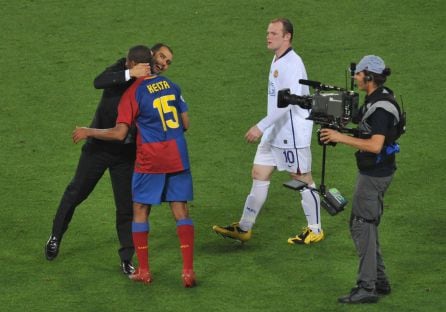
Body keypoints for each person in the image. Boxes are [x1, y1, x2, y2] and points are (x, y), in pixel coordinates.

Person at [44, 44, 174, 276]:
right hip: (99, 148)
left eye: (168, 62)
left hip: (126, 154)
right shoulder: (125, 66)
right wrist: (129, 74)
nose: (164, 63)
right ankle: (55, 236)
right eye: (162, 57)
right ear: (148, 57)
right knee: (76, 192)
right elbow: (99, 81)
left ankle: (126, 259)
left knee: (126, 207)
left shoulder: (155, 85)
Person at [72, 45, 196, 288]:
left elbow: (120, 133)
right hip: (177, 154)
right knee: (181, 210)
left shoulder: (133, 93)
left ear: (132, 64)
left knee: (139, 209)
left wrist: (89, 131)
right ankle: (188, 272)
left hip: (151, 156)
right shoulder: (171, 85)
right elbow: (185, 123)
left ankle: (145, 271)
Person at [212, 18, 323, 244]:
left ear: (287, 36)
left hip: (291, 133)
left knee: (301, 177)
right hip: (275, 131)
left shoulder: (292, 63)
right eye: (267, 33)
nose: (268, 36)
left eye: (273, 33)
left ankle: (315, 229)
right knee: (259, 174)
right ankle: (244, 227)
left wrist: (260, 126)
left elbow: (289, 103)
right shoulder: (278, 59)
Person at [320, 55, 401, 304]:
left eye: (358, 74)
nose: (355, 77)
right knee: (365, 224)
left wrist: (339, 137)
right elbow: (364, 127)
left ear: (369, 76)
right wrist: (341, 127)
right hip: (375, 172)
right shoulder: (378, 97)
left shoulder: (381, 108)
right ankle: (379, 280)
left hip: (374, 175)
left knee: (361, 225)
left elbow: (375, 145)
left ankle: (367, 287)